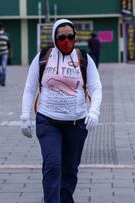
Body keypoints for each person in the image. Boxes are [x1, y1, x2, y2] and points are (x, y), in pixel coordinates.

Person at [20, 19, 102, 203]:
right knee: (53, 165)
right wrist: (25, 116)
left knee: (70, 169)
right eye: (62, 37)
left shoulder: (84, 59)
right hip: (48, 121)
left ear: (75, 37)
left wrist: (94, 111)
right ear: (54, 38)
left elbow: (96, 88)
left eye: (71, 37)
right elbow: (30, 87)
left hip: (76, 124)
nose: (67, 41)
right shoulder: (43, 57)